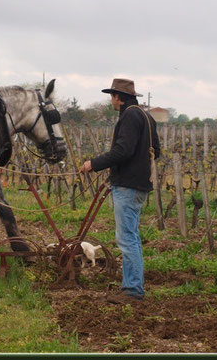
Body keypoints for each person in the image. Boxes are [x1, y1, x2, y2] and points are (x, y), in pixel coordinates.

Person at [80, 78, 160, 303]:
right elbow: (157, 151)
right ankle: (133, 286)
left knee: (126, 238)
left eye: (112, 96)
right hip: (137, 184)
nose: (111, 101)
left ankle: (133, 290)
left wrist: (93, 164)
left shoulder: (129, 116)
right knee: (131, 236)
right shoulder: (146, 116)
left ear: (118, 96)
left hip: (128, 186)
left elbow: (123, 151)